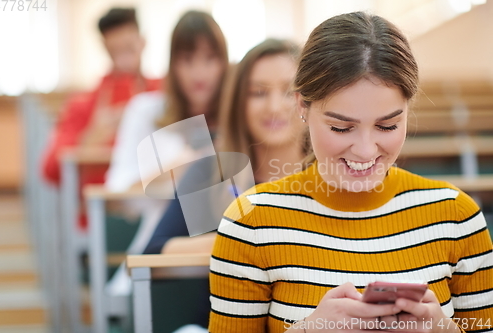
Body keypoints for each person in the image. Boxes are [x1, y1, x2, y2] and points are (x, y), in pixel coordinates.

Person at [209, 12, 493, 333]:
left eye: (387, 125)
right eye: (341, 127)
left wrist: (446, 330)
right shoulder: (250, 221)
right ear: (302, 106)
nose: (366, 150)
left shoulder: (457, 217)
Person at [142, 38, 306, 333]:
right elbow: (153, 253)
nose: (274, 106)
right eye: (258, 93)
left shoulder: (333, 177)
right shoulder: (212, 176)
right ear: (238, 102)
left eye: (289, 91)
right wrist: (243, 239)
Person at [105, 10, 228, 192]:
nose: (199, 73)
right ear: (173, 64)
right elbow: (116, 191)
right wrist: (178, 169)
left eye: (209, 59)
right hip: (161, 218)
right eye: (187, 60)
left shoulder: (238, 115)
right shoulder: (144, 111)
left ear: (223, 63)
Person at [42, 7, 160, 187]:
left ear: (142, 42)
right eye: (116, 51)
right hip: (100, 207)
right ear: (105, 48)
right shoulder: (83, 104)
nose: (124, 60)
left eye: (129, 49)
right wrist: (89, 138)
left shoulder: (164, 95)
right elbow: (50, 170)